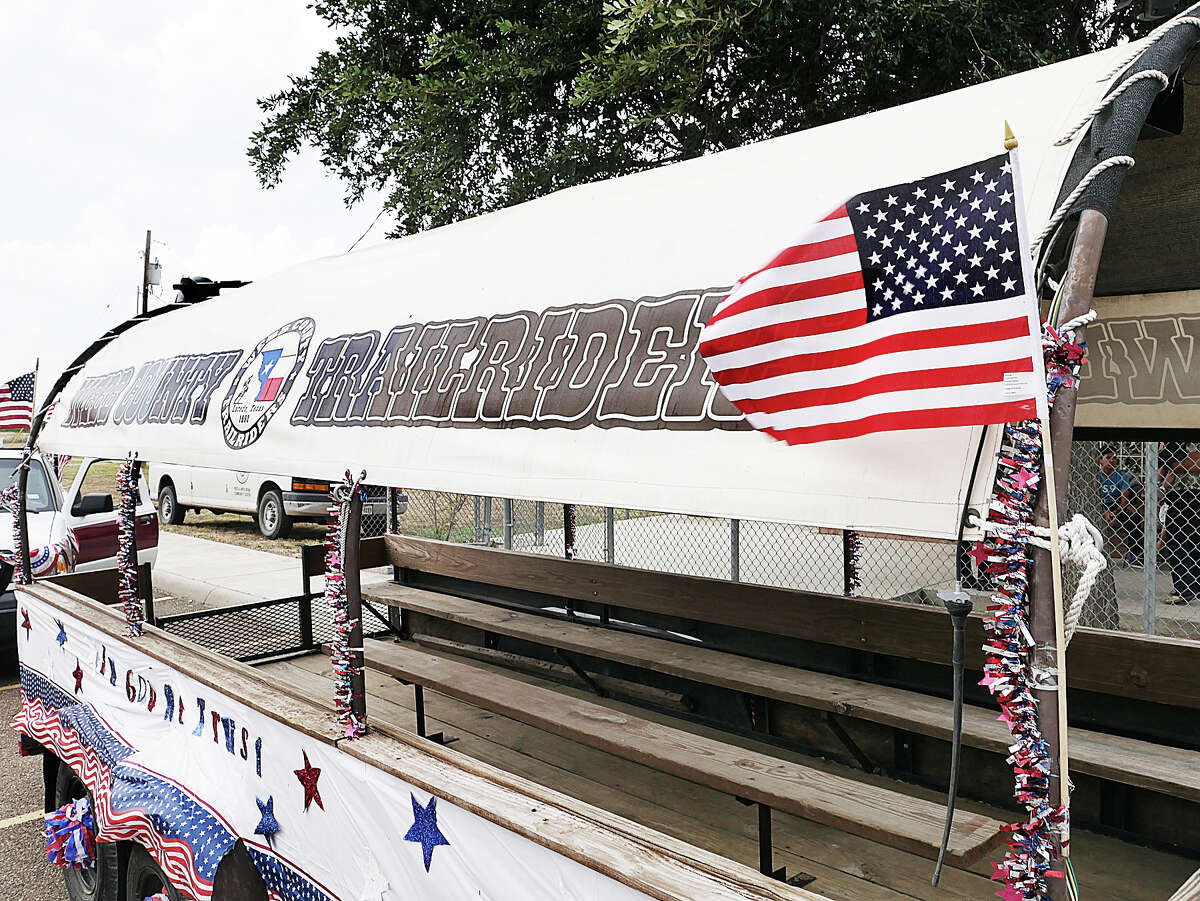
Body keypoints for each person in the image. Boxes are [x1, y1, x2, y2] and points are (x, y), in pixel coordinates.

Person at [1160, 441, 1200, 605]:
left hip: (1191, 496)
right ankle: (1186, 586)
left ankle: (1188, 588)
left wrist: (1181, 462)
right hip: (1178, 496)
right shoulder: (1175, 440)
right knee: (1177, 541)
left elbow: (1184, 465)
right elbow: (1175, 465)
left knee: (1187, 541)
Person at [1098, 446, 1142, 568]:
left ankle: (1135, 555)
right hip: (1099, 504)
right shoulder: (1095, 475)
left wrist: (1115, 512)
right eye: (1108, 458)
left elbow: (1125, 499)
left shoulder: (1122, 476)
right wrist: (1104, 512)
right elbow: (1093, 496)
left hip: (1117, 505)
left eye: (1115, 458)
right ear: (1101, 460)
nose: (1112, 461)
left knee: (1134, 518)